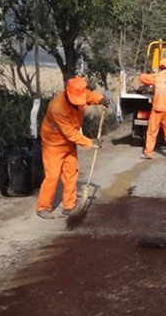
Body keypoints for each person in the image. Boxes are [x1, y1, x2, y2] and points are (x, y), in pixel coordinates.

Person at [36, 76, 110, 219]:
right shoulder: (57, 107)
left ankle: (69, 206)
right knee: (52, 176)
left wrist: (100, 99)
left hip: (69, 143)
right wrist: (89, 142)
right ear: (68, 92)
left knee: (71, 173)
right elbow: (69, 132)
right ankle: (43, 207)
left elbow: (90, 96)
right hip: (54, 143)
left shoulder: (81, 92)